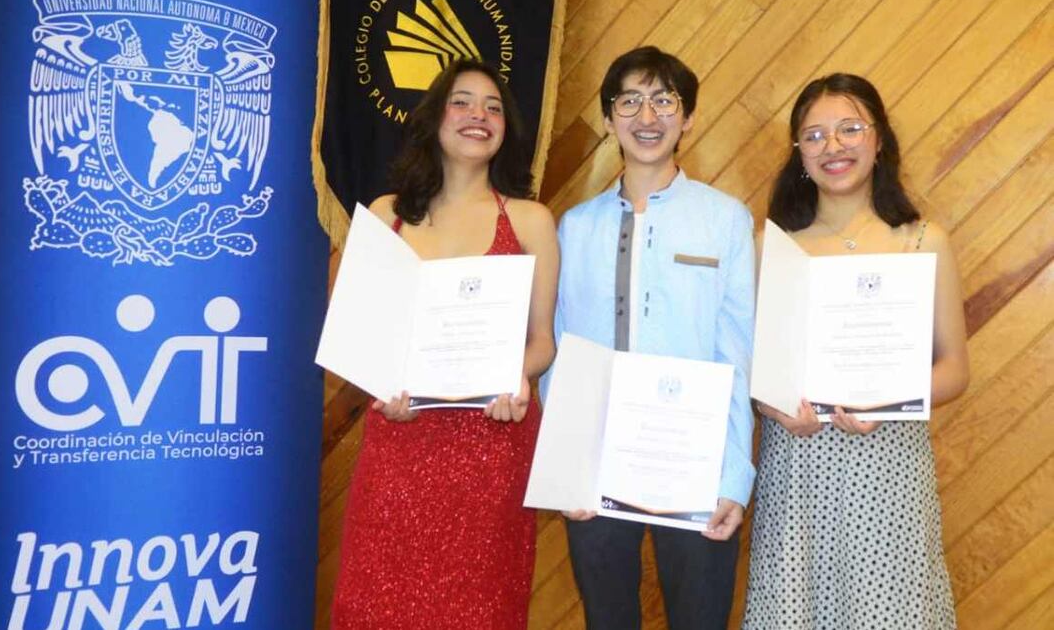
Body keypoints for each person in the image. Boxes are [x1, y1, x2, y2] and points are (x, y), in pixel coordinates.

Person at [331, 59, 559, 629]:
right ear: (434, 116)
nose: (478, 115)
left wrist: (516, 375)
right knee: (378, 606)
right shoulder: (387, 216)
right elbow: (357, 334)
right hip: (400, 442)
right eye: (462, 101)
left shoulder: (531, 221)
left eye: (493, 107)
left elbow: (542, 344)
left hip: (492, 446)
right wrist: (382, 387)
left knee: (479, 611)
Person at [743, 73, 970, 629]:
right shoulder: (771, 247)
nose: (833, 146)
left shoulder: (921, 240)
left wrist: (884, 401)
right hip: (799, 466)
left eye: (849, 129)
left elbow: (955, 371)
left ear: (880, 140)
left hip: (890, 465)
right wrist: (771, 406)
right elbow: (753, 371)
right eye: (814, 135)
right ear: (798, 152)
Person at [551, 46, 756, 629]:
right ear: (609, 117)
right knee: (607, 619)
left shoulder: (725, 219)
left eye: (664, 100)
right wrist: (568, 465)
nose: (648, 116)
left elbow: (737, 351)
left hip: (696, 462)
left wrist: (733, 476)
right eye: (631, 101)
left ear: (687, 116)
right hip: (594, 463)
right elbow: (560, 354)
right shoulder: (577, 226)